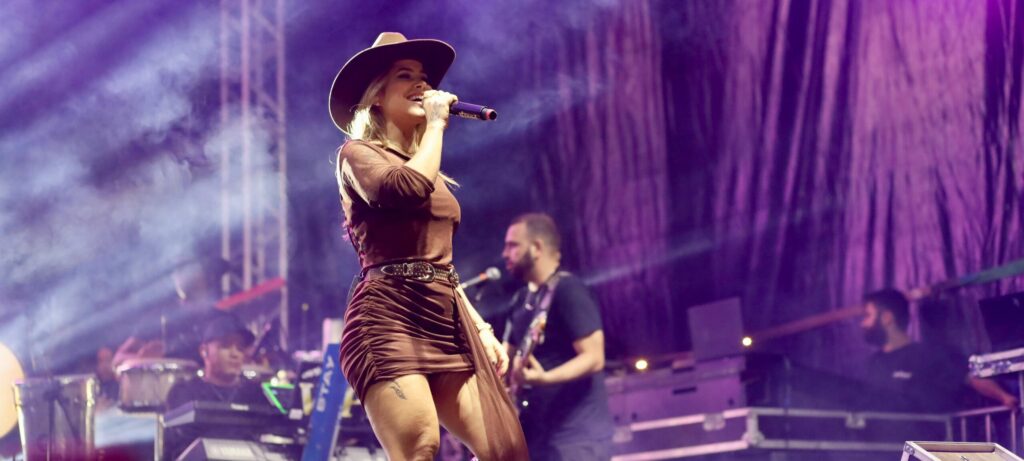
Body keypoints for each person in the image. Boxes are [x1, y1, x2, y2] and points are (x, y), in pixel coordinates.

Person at [329, 32, 527, 460]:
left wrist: (481, 328)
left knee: (505, 449)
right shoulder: (357, 155)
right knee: (420, 446)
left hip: (444, 316)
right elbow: (403, 189)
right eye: (405, 76)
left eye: (424, 77)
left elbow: (440, 262)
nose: (422, 84)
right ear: (376, 96)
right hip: (387, 317)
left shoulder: (428, 168)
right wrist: (436, 125)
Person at [500, 213, 613, 460]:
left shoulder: (568, 290)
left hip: (576, 438)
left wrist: (546, 378)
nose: (505, 254)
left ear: (536, 248)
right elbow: (503, 359)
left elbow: (594, 358)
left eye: (512, 245)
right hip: (536, 436)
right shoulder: (519, 300)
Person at [860, 288, 1017, 412]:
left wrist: (1004, 397)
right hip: (880, 441)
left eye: (867, 316)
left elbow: (970, 377)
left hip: (921, 438)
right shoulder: (872, 364)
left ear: (887, 317)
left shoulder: (929, 355)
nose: (862, 324)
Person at [163, 312, 267, 459]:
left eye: (240, 348)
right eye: (225, 346)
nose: (235, 354)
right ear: (204, 351)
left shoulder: (255, 393)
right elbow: (179, 447)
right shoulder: (184, 393)